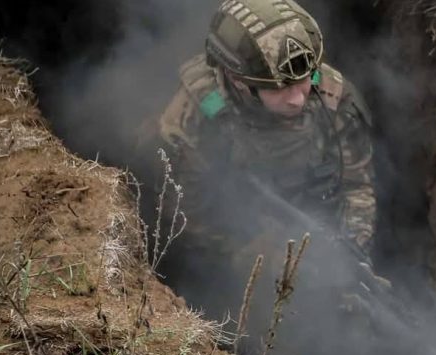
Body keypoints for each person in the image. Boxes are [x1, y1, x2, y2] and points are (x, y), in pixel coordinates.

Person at [157, 0, 377, 259]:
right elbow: (182, 218)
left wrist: (350, 253)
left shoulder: (333, 98)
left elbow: (357, 188)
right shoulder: (197, 114)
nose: (298, 99)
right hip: (233, 244)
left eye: (304, 79)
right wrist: (243, 256)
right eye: (279, 87)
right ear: (238, 80)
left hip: (314, 234)